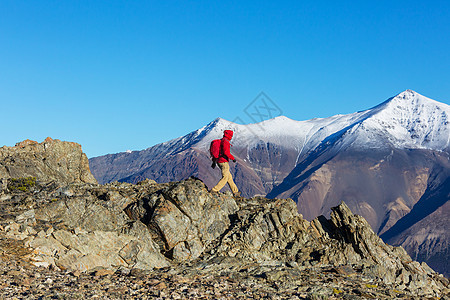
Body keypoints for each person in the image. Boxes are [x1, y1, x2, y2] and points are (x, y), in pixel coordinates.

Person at [211, 130, 240, 196]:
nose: (232, 137)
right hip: (224, 162)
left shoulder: (221, 140)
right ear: (229, 135)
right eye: (231, 135)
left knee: (229, 177)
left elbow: (218, 152)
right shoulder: (225, 142)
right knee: (225, 177)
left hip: (219, 161)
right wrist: (233, 158)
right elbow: (226, 152)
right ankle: (214, 190)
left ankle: (235, 192)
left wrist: (214, 161)